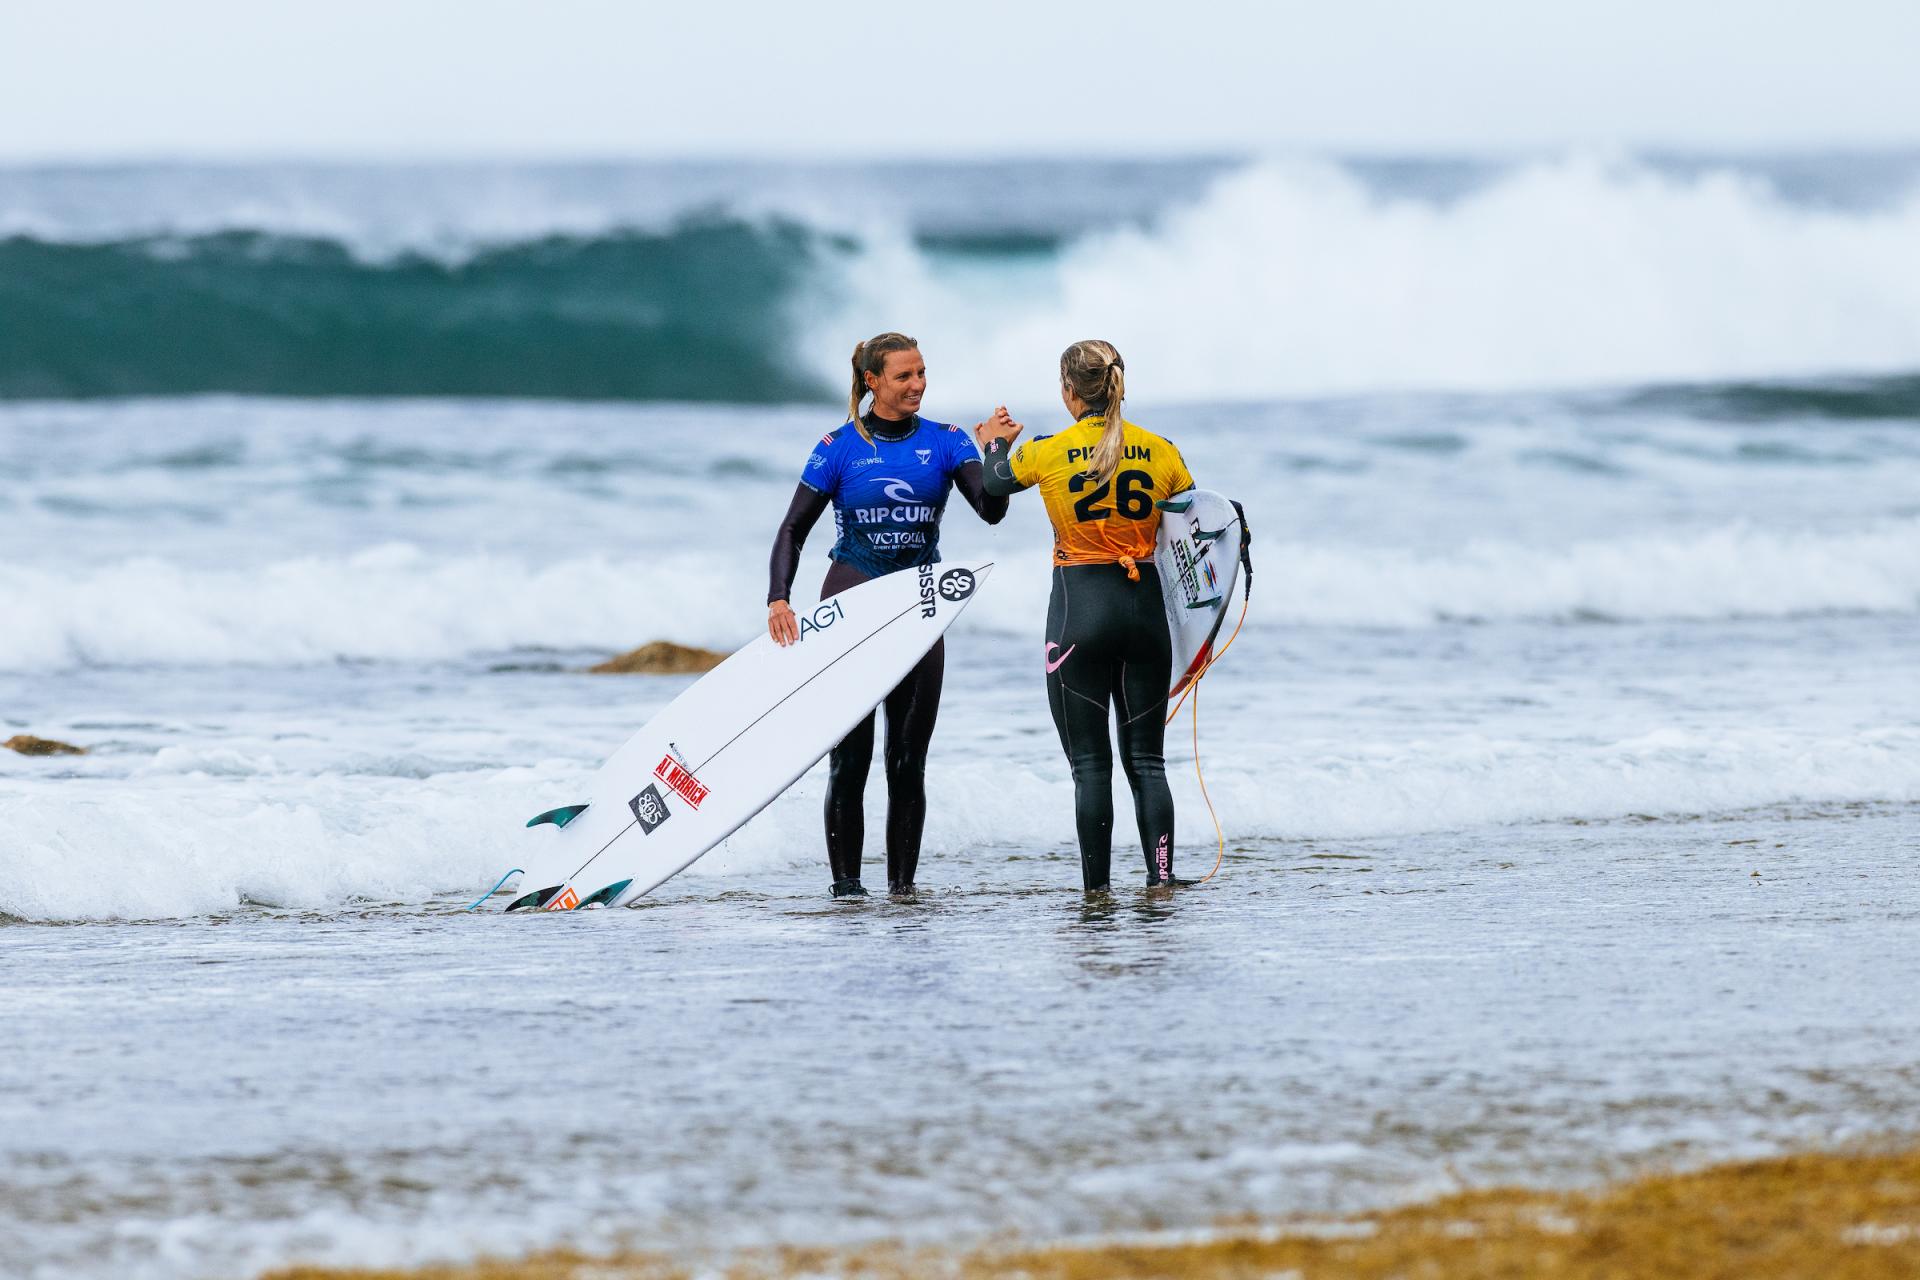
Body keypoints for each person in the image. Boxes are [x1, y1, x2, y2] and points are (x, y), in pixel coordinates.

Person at [766, 332, 1013, 898]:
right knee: (848, 761)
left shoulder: (949, 441)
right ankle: (847, 891)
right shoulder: (838, 446)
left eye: (922, 373)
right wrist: (779, 597)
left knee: (907, 762)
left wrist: (994, 451)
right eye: (904, 376)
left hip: (920, 607)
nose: (918, 385)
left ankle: (903, 892)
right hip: (851, 599)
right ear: (871, 381)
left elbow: (991, 512)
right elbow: (792, 529)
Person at [978, 339, 1195, 891]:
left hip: (1080, 612)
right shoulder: (1162, 450)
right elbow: (1192, 527)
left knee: (1091, 766)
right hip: (1146, 614)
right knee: (1147, 762)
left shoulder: (1048, 451)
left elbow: (995, 484)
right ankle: (1162, 879)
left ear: (1069, 391)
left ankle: (1096, 891)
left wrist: (995, 445)